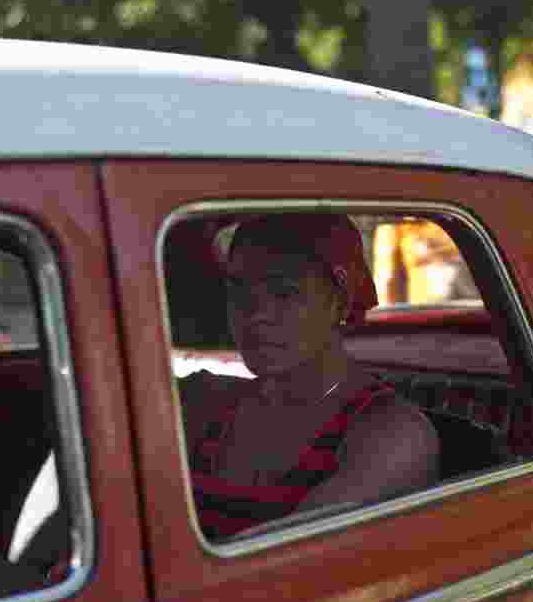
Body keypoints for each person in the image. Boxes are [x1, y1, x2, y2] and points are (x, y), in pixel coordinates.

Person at [178, 214, 439, 540]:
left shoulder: (391, 435)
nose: (256, 313)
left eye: (284, 293)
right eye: (240, 291)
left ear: (340, 302)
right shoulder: (205, 399)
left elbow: (277, 562)